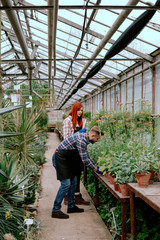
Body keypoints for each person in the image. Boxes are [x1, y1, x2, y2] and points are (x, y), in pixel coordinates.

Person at [51, 126, 103, 219]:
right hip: (60, 158)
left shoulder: (84, 138)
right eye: (97, 138)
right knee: (66, 184)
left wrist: (95, 165)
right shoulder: (81, 140)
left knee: (74, 181)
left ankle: (71, 206)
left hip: (67, 160)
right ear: (93, 135)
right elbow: (85, 160)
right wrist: (95, 169)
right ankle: (56, 210)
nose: (97, 141)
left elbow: (86, 155)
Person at [63, 102, 89, 205]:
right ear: (74, 110)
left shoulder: (78, 122)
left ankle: (77, 195)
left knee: (78, 173)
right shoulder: (68, 121)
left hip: (77, 151)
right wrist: (78, 134)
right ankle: (67, 197)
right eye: (79, 110)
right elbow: (66, 139)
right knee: (71, 175)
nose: (80, 112)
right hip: (70, 152)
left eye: (82, 110)